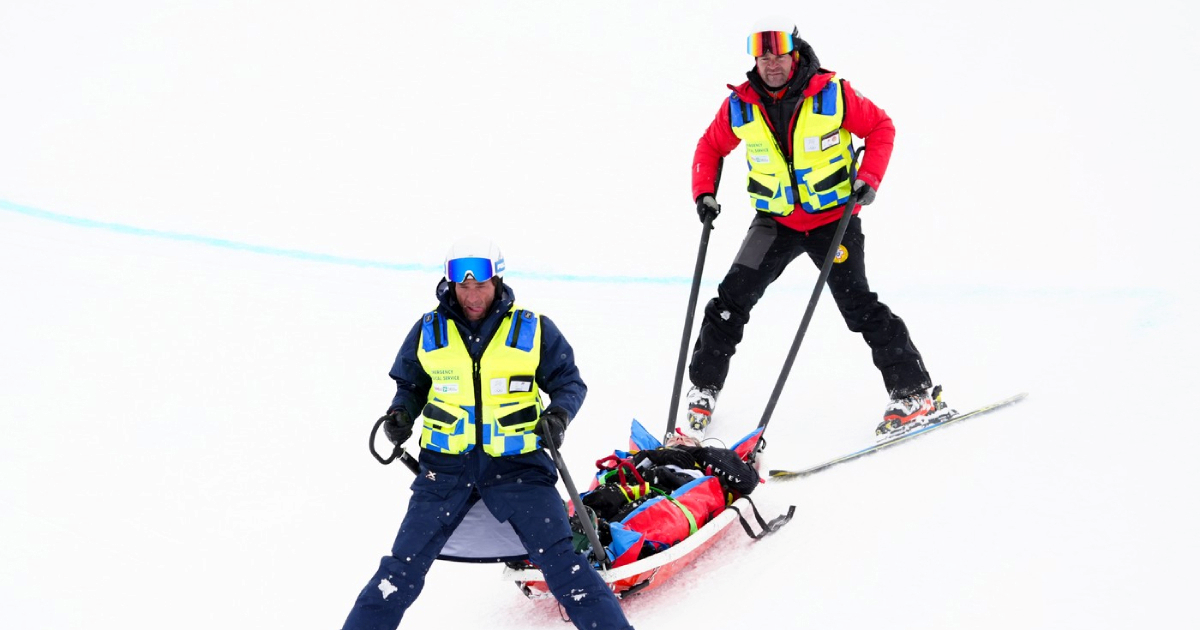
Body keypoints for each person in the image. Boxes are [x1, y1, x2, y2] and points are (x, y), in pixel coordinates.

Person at [340, 237, 634, 630]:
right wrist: (400, 414)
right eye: (463, 286)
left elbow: (569, 382)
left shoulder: (532, 329)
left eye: (480, 285)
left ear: (497, 280)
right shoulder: (428, 330)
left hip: (519, 470)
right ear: (450, 285)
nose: (472, 295)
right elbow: (409, 385)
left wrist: (559, 416)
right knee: (399, 572)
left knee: (566, 568)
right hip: (444, 473)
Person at [683, 23, 954, 441]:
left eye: (779, 56)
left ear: (795, 55)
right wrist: (704, 192)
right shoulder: (739, 105)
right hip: (774, 223)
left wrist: (869, 179)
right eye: (763, 57)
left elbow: (881, 128)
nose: (771, 65)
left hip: (833, 220)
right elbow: (710, 147)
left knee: (858, 306)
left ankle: (914, 392)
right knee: (729, 302)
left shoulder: (833, 92)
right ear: (755, 61)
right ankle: (703, 388)